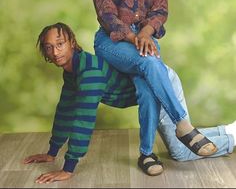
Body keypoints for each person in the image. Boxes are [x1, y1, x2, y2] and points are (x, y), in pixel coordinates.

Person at [90, 0, 219, 175]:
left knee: (148, 88)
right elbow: (106, 15)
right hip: (113, 41)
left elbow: (160, 11)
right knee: (149, 63)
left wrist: (146, 33)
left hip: (146, 39)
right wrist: (133, 36)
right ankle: (183, 124)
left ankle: (146, 155)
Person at [23, 23, 235, 183]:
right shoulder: (74, 72)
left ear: (72, 43)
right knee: (182, 146)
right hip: (150, 89)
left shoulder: (89, 73)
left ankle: (232, 138)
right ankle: (228, 130)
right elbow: (65, 110)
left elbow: (82, 120)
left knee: (180, 153)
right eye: (49, 47)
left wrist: (68, 168)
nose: (55, 52)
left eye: (60, 44)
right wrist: (52, 152)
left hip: (159, 87)